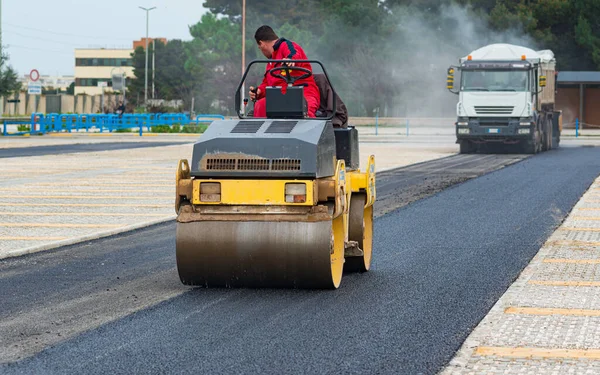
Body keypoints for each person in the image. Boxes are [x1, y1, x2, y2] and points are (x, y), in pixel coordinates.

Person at [249, 25, 320, 118]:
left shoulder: (285, 45)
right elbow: (267, 83)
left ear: (262, 44)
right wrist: (259, 91)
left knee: (304, 109)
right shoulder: (270, 64)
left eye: (259, 47)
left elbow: (294, 53)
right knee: (260, 105)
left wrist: (291, 60)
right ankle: (262, 132)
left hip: (303, 92)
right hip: (281, 98)